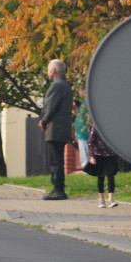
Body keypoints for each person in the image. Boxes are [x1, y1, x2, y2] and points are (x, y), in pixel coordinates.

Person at [39, 59, 73, 200]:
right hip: (62, 128)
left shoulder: (57, 85)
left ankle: (58, 190)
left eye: (48, 68)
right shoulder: (65, 85)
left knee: (55, 161)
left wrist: (43, 120)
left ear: (53, 70)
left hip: (55, 129)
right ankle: (59, 188)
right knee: (58, 159)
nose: (47, 71)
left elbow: (50, 106)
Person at [87, 125, 120, 208]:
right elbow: (90, 142)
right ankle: (102, 200)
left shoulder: (112, 127)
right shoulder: (96, 127)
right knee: (101, 177)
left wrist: (117, 154)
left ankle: (111, 199)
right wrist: (91, 156)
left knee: (111, 176)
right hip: (99, 155)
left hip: (110, 155)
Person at [74, 87, 91, 167]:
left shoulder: (87, 101)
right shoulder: (85, 101)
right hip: (82, 130)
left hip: (84, 130)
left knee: (85, 150)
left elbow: (87, 115)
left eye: (80, 89)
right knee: (84, 150)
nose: (79, 92)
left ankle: (87, 168)